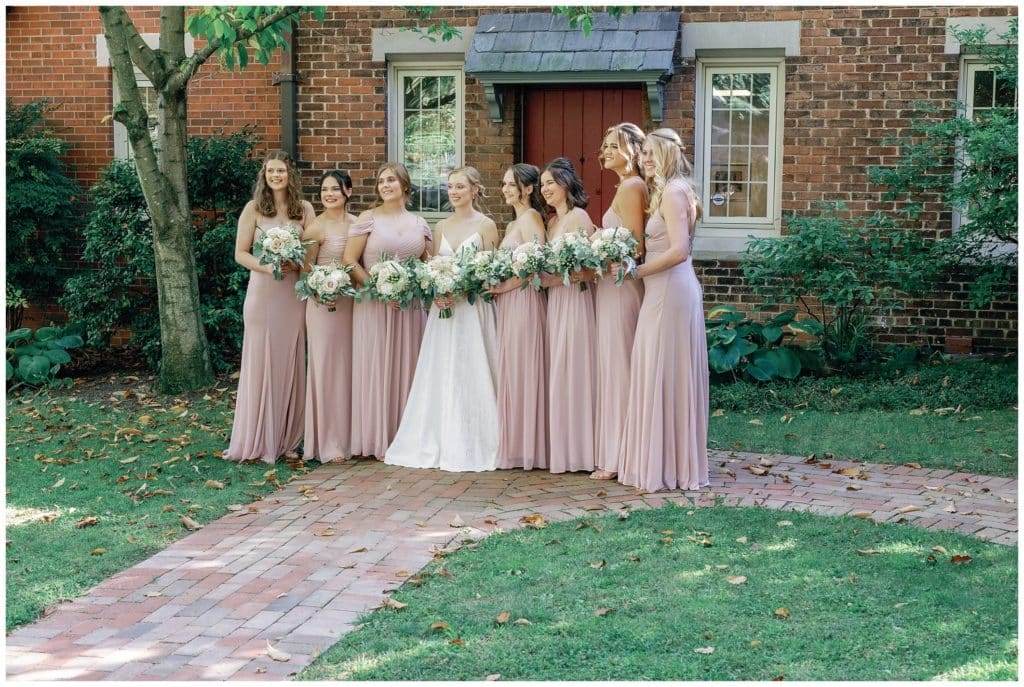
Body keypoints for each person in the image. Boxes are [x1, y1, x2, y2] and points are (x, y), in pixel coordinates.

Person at [385, 167, 501, 471]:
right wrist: (436, 290)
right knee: (443, 370)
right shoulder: (441, 226)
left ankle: (477, 437)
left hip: (473, 311)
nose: (454, 191)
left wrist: (463, 290)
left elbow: (491, 273)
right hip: (444, 309)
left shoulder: (487, 225)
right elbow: (436, 268)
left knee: (472, 369)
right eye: (450, 186)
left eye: (460, 186)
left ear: (475, 190)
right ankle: (439, 436)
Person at [618, 128, 709, 492]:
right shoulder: (672, 191)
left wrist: (635, 271)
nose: (646, 160)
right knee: (661, 370)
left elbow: (679, 250)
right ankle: (668, 462)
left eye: (653, 154)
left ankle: (666, 466)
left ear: (670, 154)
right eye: (644, 154)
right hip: (667, 289)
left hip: (669, 290)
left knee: (661, 369)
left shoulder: (672, 192)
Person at [224, 150, 316, 463]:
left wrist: (297, 261)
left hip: (291, 296)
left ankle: (287, 438)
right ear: (264, 175)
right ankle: (258, 438)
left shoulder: (304, 210)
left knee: (289, 359)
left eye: (281, 171)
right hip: (263, 293)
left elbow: (313, 250)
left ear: (291, 174)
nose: (275, 176)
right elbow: (241, 253)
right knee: (261, 361)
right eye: (270, 171)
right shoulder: (253, 209)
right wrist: (268, 266)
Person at [343, 163, 433, 459]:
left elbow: (427, 265)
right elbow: (349, 261)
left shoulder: (420, 223)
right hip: (373, 305)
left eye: (391, 180)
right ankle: (375, 438)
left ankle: (406, 436)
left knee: (409, 367)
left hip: (410, 309)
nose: (385, 185)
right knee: (376, 365)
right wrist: (379, 290)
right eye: (381, 181)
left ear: (405, 186)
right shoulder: (368, 219)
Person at [590, 123, 648, 480]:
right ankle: (619, 449)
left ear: (633, 149)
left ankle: (619, 455)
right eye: (605, 145)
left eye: (614, 145)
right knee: (613, 366)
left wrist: (600, 247)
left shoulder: (632, 186)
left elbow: (637, 246)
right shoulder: (627, 186)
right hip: (610, 285)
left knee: (619, 367)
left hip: (621, 285)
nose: (606, 151)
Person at [488, 164, 549, 470]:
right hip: (510, 303)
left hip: (524, 302)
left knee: (525, 368)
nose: (506, 189)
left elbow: (535, 268)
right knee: (510, 368)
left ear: (528, 189)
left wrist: (501, 287)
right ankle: (513, 444)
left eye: (511, 184)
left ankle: (530, 447)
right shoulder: (514, 223)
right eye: (504, 184)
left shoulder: (532, 218)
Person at [539, 157, 597, 474]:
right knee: (558, 372)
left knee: (574, 369)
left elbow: (591, 271)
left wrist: (556, 280)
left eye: (550, 182)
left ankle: (581, 451)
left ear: (565, 184)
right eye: (543, 184)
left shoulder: (579, 218)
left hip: (575, 301)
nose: (545, 189)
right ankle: (561, 448)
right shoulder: (551, 223)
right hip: (555, 303)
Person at [302, 170, 357, 463]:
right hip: (323, 306)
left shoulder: (359, 224)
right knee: (326, 369)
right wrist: (321, 290)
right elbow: (305, 270)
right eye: (325, 190)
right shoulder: (315, 228)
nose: (329, 194)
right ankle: (328, 441)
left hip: (352, 304)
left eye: (335, 189)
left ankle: (353, 436)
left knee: (350, 368)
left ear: (348, 191)